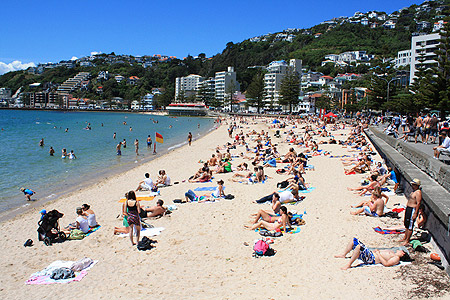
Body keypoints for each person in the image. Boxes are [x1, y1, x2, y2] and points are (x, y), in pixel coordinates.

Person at [334, 237, 411, 270]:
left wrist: (378, 254)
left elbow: (386, 264)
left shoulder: (396, 259)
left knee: (358, 247)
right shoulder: (393, 254)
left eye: (401, 251)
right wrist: (377, 251)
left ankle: (349, 265)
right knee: (353, 240)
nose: (399, 250)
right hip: (371, 254)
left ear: (402, 254)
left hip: (372, 259)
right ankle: (344, 254)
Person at [401, 179, 423, 246]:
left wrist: (415, 213)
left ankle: (407, 240)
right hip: (408, 208)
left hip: (412, 209)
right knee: (406, 224)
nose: (412, 185)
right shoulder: (413, 191)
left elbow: (418, 203)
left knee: (410, 225)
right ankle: (405, 238)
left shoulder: (418, 192)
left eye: (413, 184)